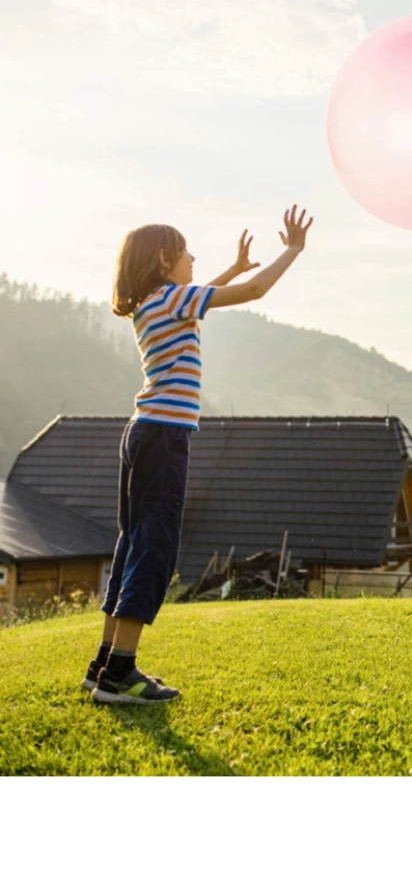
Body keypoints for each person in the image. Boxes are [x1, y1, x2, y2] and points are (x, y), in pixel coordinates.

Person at [83, 206, 313, 704]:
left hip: (143, 432)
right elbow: (252, 294)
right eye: (186, 251)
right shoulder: (174, 299)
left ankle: (104, 662)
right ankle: (120, 673)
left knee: (132, 543)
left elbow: (201, 293)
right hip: (164, 436)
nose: (193, 257)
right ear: (165, 258)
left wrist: (231, 269)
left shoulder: (153, 301)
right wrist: (291, 250)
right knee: (154, 546)